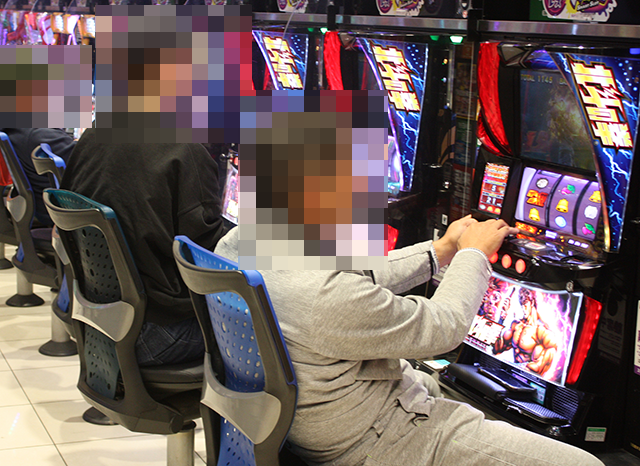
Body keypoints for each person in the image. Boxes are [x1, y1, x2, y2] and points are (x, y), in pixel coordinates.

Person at [214, 217, 604, 466]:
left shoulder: (240, 241)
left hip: (300, 422)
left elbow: (354, 277)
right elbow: (444, 326)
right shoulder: (325, 298)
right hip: (372, 439)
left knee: (428, 382)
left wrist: (440, 251)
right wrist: (473, 255)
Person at [60, 128, 226, 366]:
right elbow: (210, 258)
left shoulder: (92, 136)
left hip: (96, 321)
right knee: (274, 332)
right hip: (155, 333)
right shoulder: (185, 151)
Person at [1, 128, 76, 226]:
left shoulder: (19, 131)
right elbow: (83, 163)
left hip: (44, 206)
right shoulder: (42, 135)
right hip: (62, 212)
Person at [494, 288, 558, 377]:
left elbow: (551, 350)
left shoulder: (540, 330)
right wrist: (501, 319)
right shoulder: (517, 325)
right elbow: (497, 349)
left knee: (539, 349)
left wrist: (530, 370)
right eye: (522, 305)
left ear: (532, 303)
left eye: (525, 305)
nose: (523, 309)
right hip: (508, 372)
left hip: (526, 377)